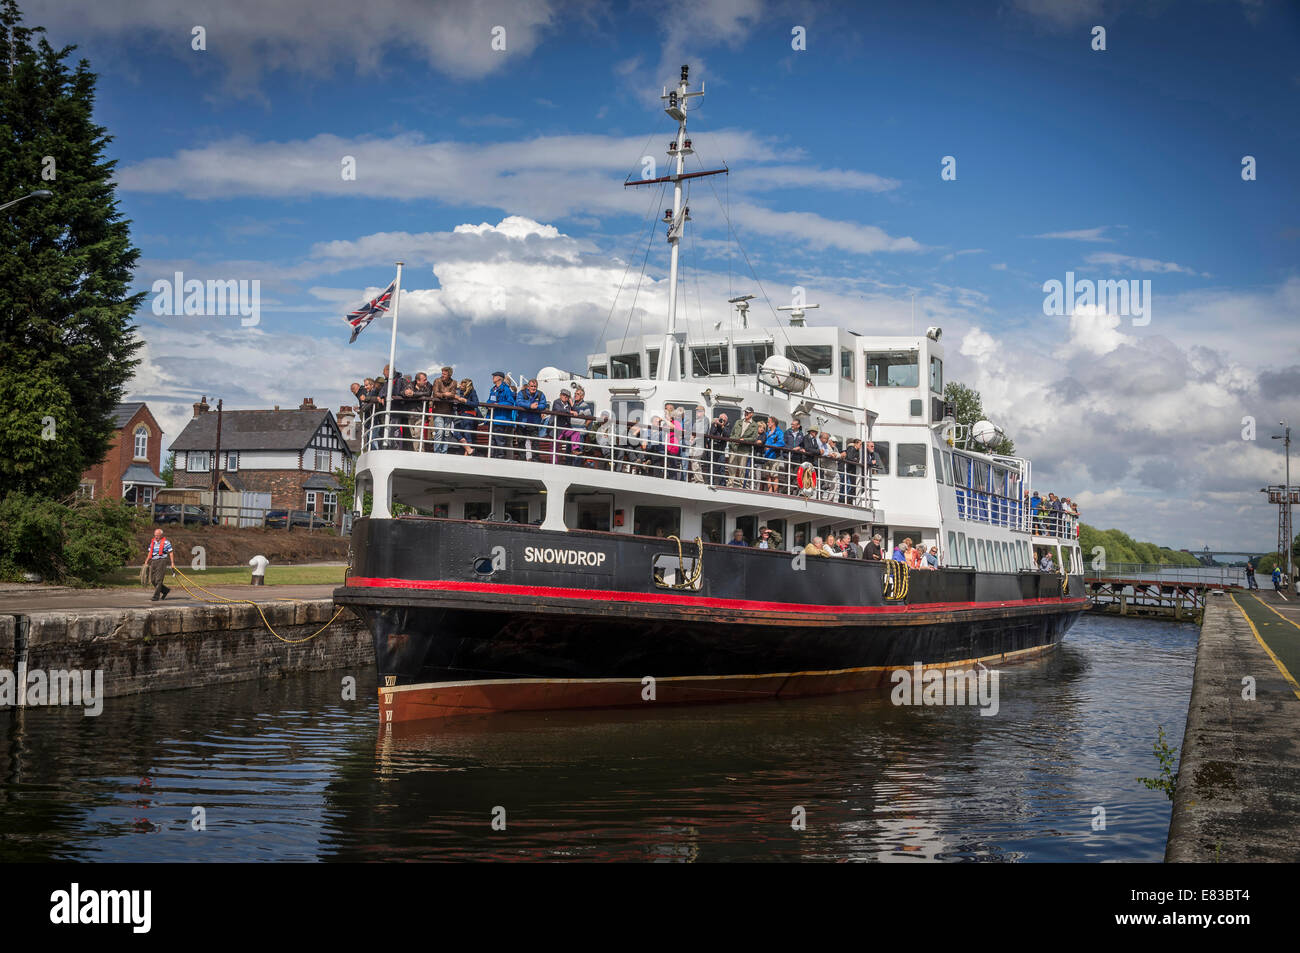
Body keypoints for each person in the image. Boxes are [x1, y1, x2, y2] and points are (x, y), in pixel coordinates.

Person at [516, 378, 548, 461]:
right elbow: (518, 402)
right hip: (522, 422)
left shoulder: (540, 394)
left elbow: (544, 404)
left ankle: (535, 459)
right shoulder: (521, 393)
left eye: (535, 386)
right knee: (521, 441)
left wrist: (537, 406)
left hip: (534, 422)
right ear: (528, 387)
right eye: (532, 386)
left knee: (535, 442)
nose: (533, 388)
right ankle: (522, 458)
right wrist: (530, 405)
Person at [486, 371, 515, 458]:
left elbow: (510, 402)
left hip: (501, 419)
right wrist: (488, 405)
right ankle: (492, 457)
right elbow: (489, 400)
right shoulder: (493, 389)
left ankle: (500, 458)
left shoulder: (506, 389)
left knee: (499, 440)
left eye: (494, 376)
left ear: (499, 378)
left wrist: (498, 405)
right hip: (493, 418)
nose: (492, 378)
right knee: (493, 440)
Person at [728, 408, 760, 488]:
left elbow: (754, 438)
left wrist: (743, 440)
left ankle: (741, 486)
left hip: (744, 450)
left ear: (751, 414)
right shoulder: (738, 422)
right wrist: (733, 442)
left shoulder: (754, 425)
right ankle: (730, 485)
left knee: (742, 469)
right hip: (734, 448)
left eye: (747, 413)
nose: (745, 414)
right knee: (731, 467)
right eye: (745, 412)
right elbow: (732, 434)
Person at [429, 366, 456, 452]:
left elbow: (453, 394)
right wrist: (445, 394)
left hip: (448, 411)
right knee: (439, 432)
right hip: (438, 410)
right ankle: (437, 451)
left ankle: (444, 452)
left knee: (447, 433)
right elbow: (435, 393)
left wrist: (446, 395)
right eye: (442, 373)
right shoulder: (437, 381)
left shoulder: (454, 382)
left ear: (449, 375)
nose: (442, 375)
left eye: (444, 374)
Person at [144, 527, 176, 601]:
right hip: (153, 561)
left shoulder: (166, 542)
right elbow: (150, 553)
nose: (156, 536)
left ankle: (156, 596)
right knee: (152, 580)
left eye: (158, 535)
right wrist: (146, 561)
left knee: (158, 579)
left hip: (162, 561)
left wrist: (172, 563)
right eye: (155, 535)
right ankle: (165, 590)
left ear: (161, 535)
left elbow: (171, 553)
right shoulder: (153, 542)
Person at [453, 377, 480, 455]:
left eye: (462, 385)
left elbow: (476, 404)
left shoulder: (472, 392)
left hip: (469, 416)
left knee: (467, 435)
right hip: (461, 416)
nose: (461, 386)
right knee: (456, 433)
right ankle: (469, 450)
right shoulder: (459, 392)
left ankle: (467, 454)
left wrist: (465, 401)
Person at [550, 388, 575, 464]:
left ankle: (575, 449)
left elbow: (576, 411)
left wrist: (572, 404)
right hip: (556, 427)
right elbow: (559, 410)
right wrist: (569, 411)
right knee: (554, 446)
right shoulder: (556, 402)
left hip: (565, 427)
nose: (565, 397)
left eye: (567, 396)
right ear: (560, 395)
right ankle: (554, 462)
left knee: (575, 433)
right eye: (564, 395)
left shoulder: (568, 405)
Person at [762, 417, 785, 493]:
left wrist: (771, 446)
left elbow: (781, 443)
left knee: (774, 475)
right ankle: (770, 490)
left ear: (773, 423)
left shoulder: (779, 432)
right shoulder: (767, 433)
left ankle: (775, 491)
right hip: (767, 456)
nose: (767, 423)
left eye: (768, 422)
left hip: (775, 456)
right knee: (768, 474)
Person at [708, 413, 730, 485]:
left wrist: (723, 427)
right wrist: (715, 425)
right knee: (712, 467)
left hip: (721, 449)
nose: (722, 421)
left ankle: (722, 483)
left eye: (724, 420)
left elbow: (727, 435)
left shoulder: (727, 426)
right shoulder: (714, 425)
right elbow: (711, 434)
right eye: (721, 419)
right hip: (713, 448)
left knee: (721, 468)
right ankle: (711, 482)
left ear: (726, 421)